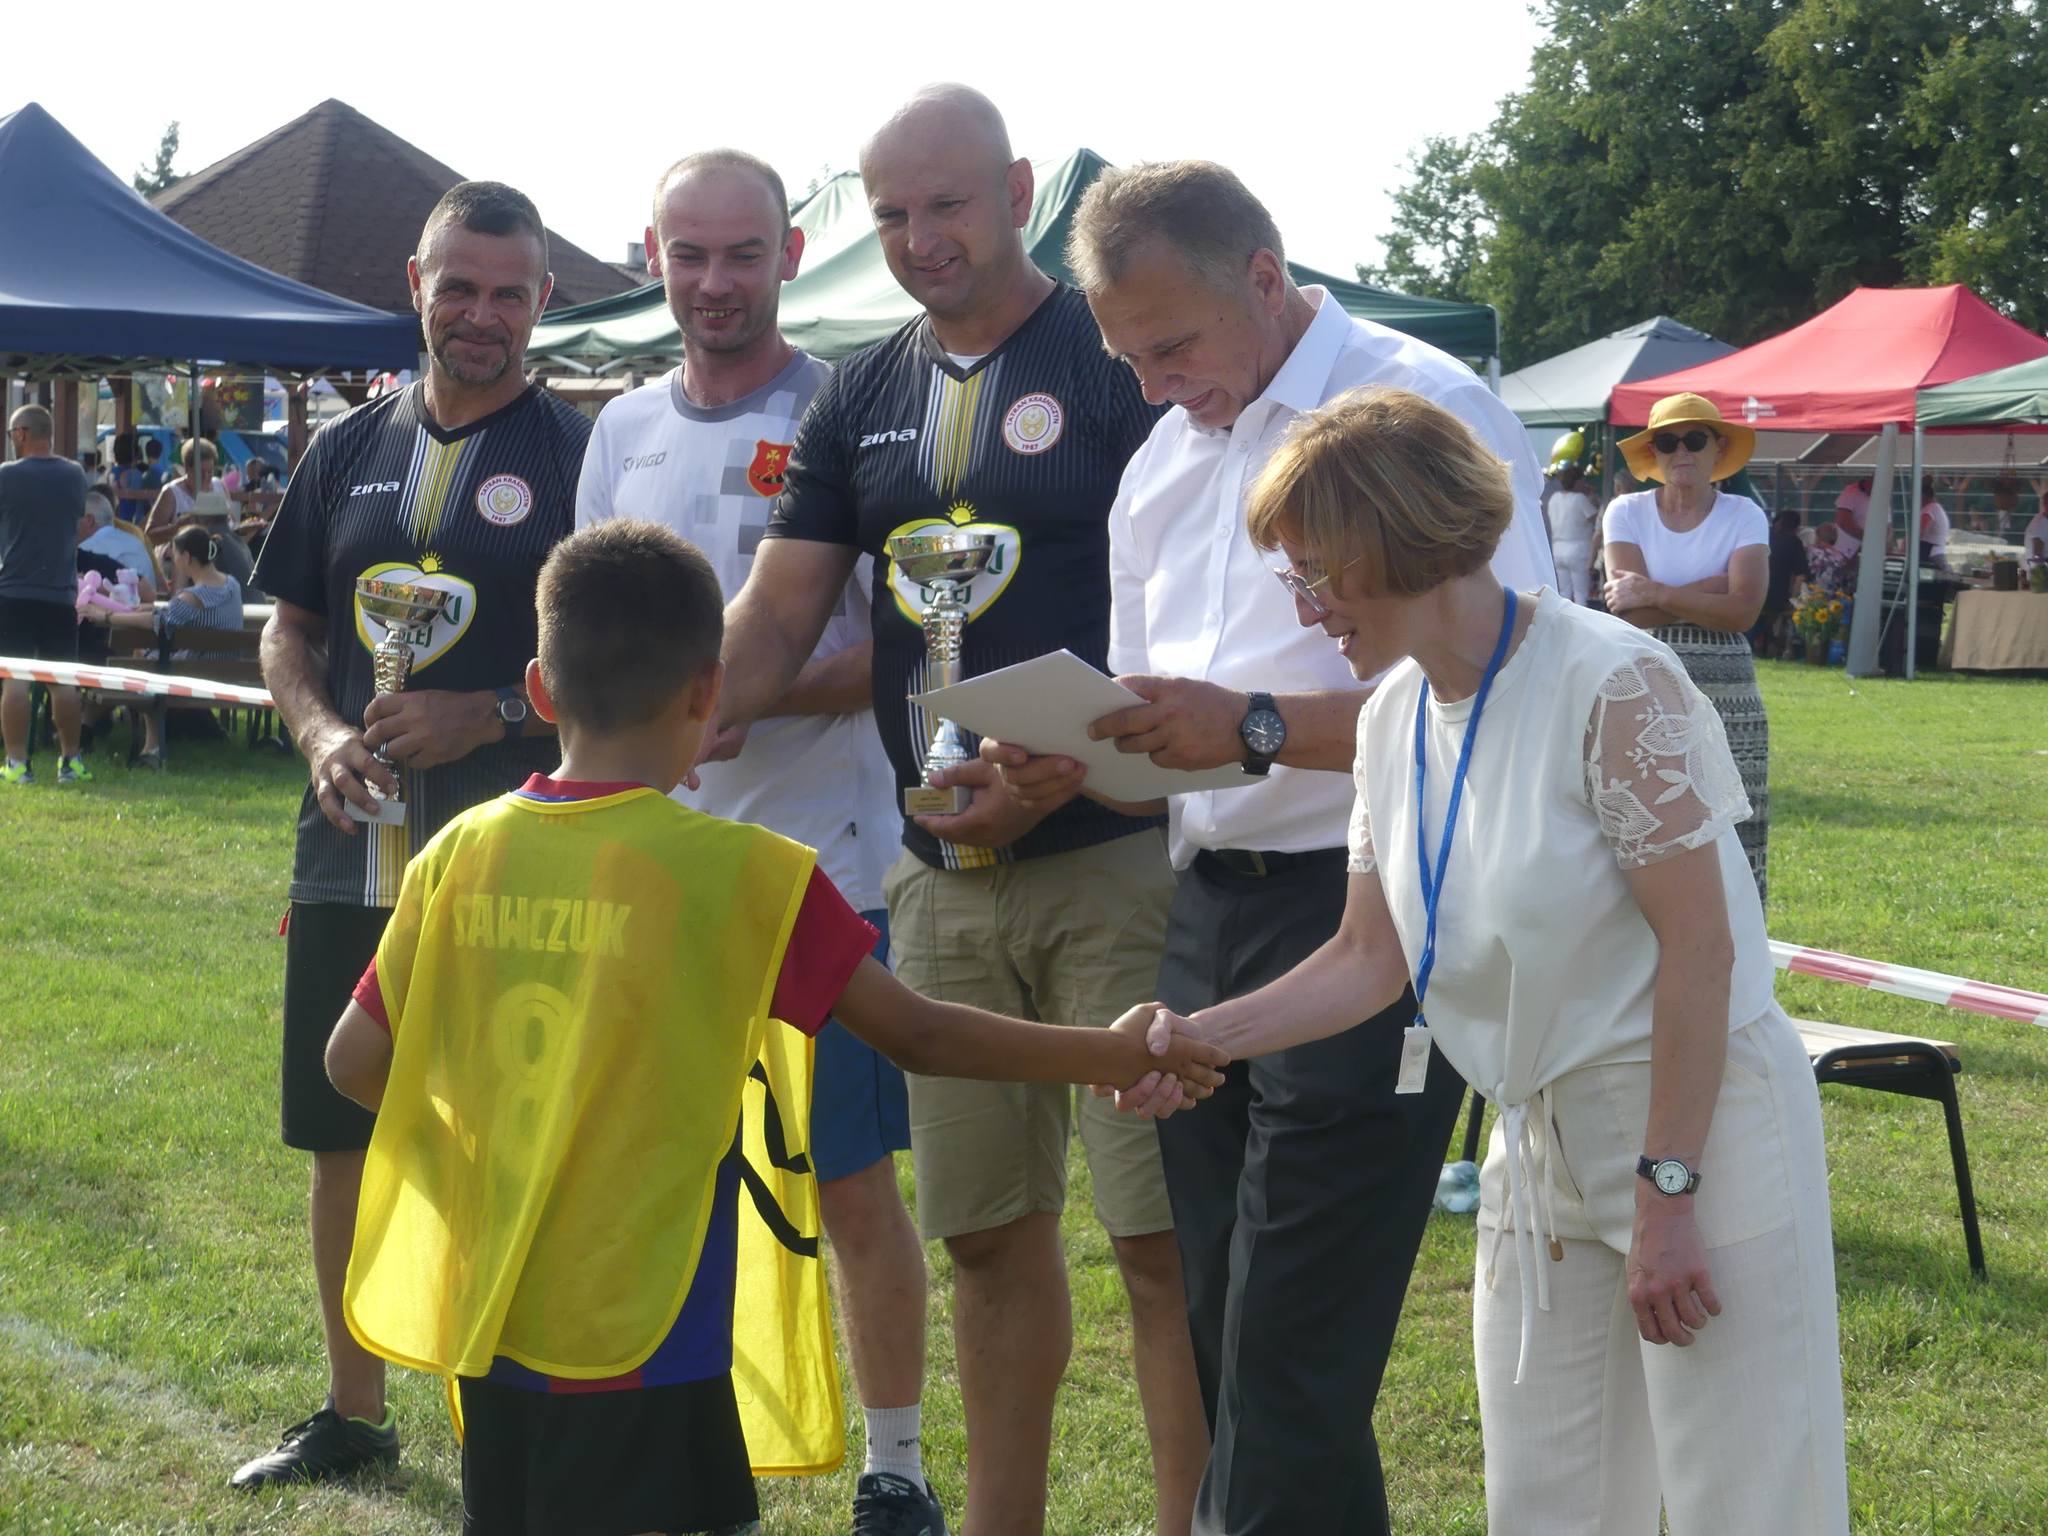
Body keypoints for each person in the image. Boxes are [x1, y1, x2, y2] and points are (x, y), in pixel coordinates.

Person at [322, 517, 1225, 1536]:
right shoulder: (746, 873)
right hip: (648, 1326)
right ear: (708, 691)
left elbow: (353, 1060)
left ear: (538, 689)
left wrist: (491, 1148)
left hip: (493, 1315)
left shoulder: (456, 853)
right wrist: (1114, 1049)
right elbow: (921, 1036)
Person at [1132, 385, 1849, 1535]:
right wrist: (1194, 1038)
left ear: (1395, 538)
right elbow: (1364, 959)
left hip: (1700, 1131)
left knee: (1746, 1504)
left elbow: (1701, 949)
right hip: (1534, 1143)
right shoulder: (1388, 718)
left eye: (1314, 572)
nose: (1304, 607)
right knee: (1544, 1510)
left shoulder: (1610, 682)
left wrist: (1668, 1191)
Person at [983, 160, 1552, 1536]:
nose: (1158, 384)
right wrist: (1063, 767)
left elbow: (1510, 689)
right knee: (1227, 1332)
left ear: (1262, 274)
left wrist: (1246, 726)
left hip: (1375, 907)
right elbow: (1157, 732)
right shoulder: (1160, 466)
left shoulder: (1424, 408)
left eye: (1172, 345)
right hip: (1205, 903)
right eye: (1128, 360)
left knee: (1290, 1350)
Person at [714, 85, 1205, 1536]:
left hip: (1118, 856)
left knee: (1160, 1244)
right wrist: (659, 718)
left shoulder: (1112, 361)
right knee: (986, 1238)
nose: (922, 239)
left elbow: (1194, 608)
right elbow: (778, 613)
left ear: (1019, 190)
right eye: (892, 215)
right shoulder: (858, 394)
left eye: (947, 206)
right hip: (935, 873)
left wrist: (1079, 756)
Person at [575, 147, 942, 1536]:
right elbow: (593, 648)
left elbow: (907, 644)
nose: (715, 283)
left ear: (790, 254)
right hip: (650, 871)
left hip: (817, 865)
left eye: (742, 254)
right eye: (689, 255)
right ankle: (672, 1441)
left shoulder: (856, 411)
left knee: (848, 1181)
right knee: (654, 1172)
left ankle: (895, 1467)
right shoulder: (620, 428)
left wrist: (733, 700)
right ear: (652, 258)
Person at [231, 180, 592, 1492]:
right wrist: (323, 732)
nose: (480, 314)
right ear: (416, 284)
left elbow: (615, 667)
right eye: (459, 287)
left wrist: (488, 712)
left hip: (515, 863)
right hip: (347, 851)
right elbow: (288, 629)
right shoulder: (344, 449)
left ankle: (515, 1424)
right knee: (343, 1131)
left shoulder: (580, 458)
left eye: (508, 293)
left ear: (543, 300)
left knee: (504, 1142)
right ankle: (354, 1412)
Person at [1603, 393, 1770, 902]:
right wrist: (1713, 590)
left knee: (1737, 821)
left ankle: (1740, 936)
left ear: (1718, 448)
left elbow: (1744, 612)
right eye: (1668, 441)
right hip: (1645, 682)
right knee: (1653, 818)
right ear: (1653, 452)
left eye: (1694, 439)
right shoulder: (1625, 511)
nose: (1681, 452)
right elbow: (1627, 613)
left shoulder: (1744, 513)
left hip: (1729, 691)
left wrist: (1654, 592)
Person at [100, 524, 244, 767]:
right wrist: (146, 607)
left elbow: (158, 622)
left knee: (145, 662)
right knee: (152, 659)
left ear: (186, 557)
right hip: (225, 669)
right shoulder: (232, 585)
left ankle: (152, 745)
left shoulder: (192, 597)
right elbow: (171, 611)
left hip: (193, 673)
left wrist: (108, 616)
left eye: (174, 555)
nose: (173, 561)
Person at [1, 404, 93, 785]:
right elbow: (76, 520)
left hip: (13, 591)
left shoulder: (6, 475)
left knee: (15, 681)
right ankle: (70, 760)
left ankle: (17, 763)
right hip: (59, 591)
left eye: (11, 434)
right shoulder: (74, 474)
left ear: (21, 434)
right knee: (64, 681)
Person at [1755, 508, 1808, 659]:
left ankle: (1757, 644)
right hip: (1777, 594)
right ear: (1796, 527)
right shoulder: (1794, 542)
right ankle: (1769, 647)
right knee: (1773, 622)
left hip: (1754, 589)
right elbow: (1800, 575)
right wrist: (1793, 599)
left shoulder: (1762, 536)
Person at [1547, 461, 1600, 604]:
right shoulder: (1580, 499)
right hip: (1579, 551)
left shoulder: (1554, 498)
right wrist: (1593, 497)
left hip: (1558, 550)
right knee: (1581, 594)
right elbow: (1597, 519)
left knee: (1564, 593)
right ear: (1577, 482)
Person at [1832, 476, 1871, 560]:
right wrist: (1870, 539)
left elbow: (1888, 525)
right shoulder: (1851, 491)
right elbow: (1843, 521)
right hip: (1845, 552)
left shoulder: (1882, 496)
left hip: (1869, 552)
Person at [1916, 477, 1951, 570]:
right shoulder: (1935, 508)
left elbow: (1920, 532)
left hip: (1931, 553)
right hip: (1936, 551)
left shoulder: (1928, 510)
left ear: (1923, 496)